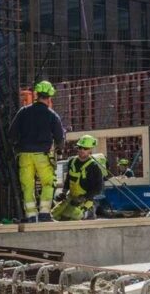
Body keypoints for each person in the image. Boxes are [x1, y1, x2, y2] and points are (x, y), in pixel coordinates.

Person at [7, 80, 65, 222]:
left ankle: (31, 216)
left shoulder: (23, 112)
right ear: (50, 96)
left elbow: (11, 135)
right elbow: (59, 137)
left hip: (24, 156)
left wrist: (16, 148)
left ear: (36, 94)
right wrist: (60, 149)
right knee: (48, 183)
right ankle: (45, 214)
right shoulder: (52, 115)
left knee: (27, 186)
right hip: (42, 156)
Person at [52, 135, 110, 221]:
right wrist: (63, 193)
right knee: (54, 214)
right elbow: (68, 178)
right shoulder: (72, 161)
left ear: (90, 149)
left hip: (86, 199)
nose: (82, 150)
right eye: (80, 147)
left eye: (85, 148)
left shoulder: (94, 166)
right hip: (71, 196)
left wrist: (84, 197)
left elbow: (98, 188)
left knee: (74, 215)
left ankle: (89, 213)